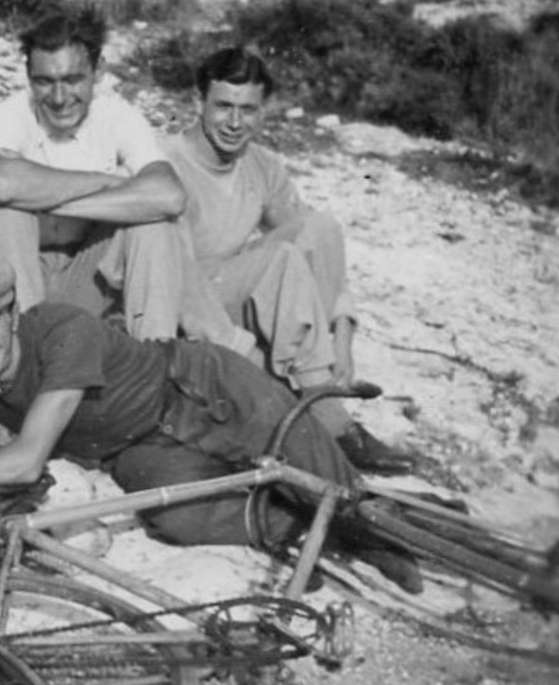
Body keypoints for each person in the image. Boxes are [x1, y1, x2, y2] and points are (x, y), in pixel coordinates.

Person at [0, 252, 424, 592]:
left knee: (332, 487)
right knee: (178, 519)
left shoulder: (59, 329)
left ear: (10, 314)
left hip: (201, 388)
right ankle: (301, 532)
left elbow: (26, 460)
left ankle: (388, 532)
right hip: (135, 446)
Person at [163, 47, 414, 475]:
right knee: (277, 260)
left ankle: (320, 377)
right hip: (189, 312)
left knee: (320, 226)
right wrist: (247, 359)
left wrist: (342, 333)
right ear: (198, 102)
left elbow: (312, 237)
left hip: (237, 293)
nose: (235, 122)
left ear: (263, 112)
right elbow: (176, 281)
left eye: (249, 110)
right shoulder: (167, 163)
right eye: (223, 106)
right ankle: (334, 427)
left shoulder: (260, 163)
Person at [0, 9, 239, 349]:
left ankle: (154, 361)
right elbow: (2, 184)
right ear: (28, 76)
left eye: (74, 80)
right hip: (11, 282)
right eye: (45, 82)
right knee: (6, 209)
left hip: (81, 276)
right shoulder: (7, 116)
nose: (60, 98)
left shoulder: (117, 117)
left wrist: (46, 198)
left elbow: (169, 195)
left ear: (98, 72)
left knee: (156, 222)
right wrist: (108, 181)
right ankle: (25, 357)